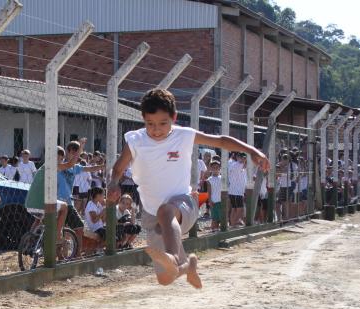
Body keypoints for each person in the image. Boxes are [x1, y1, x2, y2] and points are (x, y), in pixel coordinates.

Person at [109, 88, 269, 289]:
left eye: (162, 124)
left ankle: (174, 256)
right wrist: (114, 183)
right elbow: (118, 168)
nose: (156, 130)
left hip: (184, 204)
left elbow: (219, 140)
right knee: (165, 279)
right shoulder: (136, 140)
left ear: (174, 118)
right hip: (151, 215)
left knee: (166, 210)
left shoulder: (184, 136)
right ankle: (187, 266)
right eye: (150, 124)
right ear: (143, 119)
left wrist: (252, 151)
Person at [58, 139, 104, 256]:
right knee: (60, 230)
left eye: (76, 153)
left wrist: (103, 166)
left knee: (79, 226)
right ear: (68, 152)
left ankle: (77, 254)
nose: (75, 156)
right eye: (74, 152)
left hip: (68, 202)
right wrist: (81, 148)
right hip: (57, 202)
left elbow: (89, 168)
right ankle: (60, 255)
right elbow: (70, 163)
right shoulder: (60, 165)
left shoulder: (75, 167)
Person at [228, 152, 247, 227]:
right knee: (240, 209)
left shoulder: (234, 164)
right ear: (237, 157)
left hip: (234, 191)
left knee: (234, 209)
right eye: (242, 157)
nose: (243, 159)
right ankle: (233, 224)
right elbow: (246, 165)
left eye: (244, 157)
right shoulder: (238, 165)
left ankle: (233, 224)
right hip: (237, 192)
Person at [206, 159, 223, 231]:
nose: (215, 169)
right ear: (211, 169)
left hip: (221, 200)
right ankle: (214, 229)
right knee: (214, 217)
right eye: (213, 167)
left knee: (222, 217)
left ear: (219, 168)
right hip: (214, 200)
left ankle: (220, 230)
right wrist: (210, 201)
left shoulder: (222, 178)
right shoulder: (209, 179)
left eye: (217, 167)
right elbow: (209, 191)